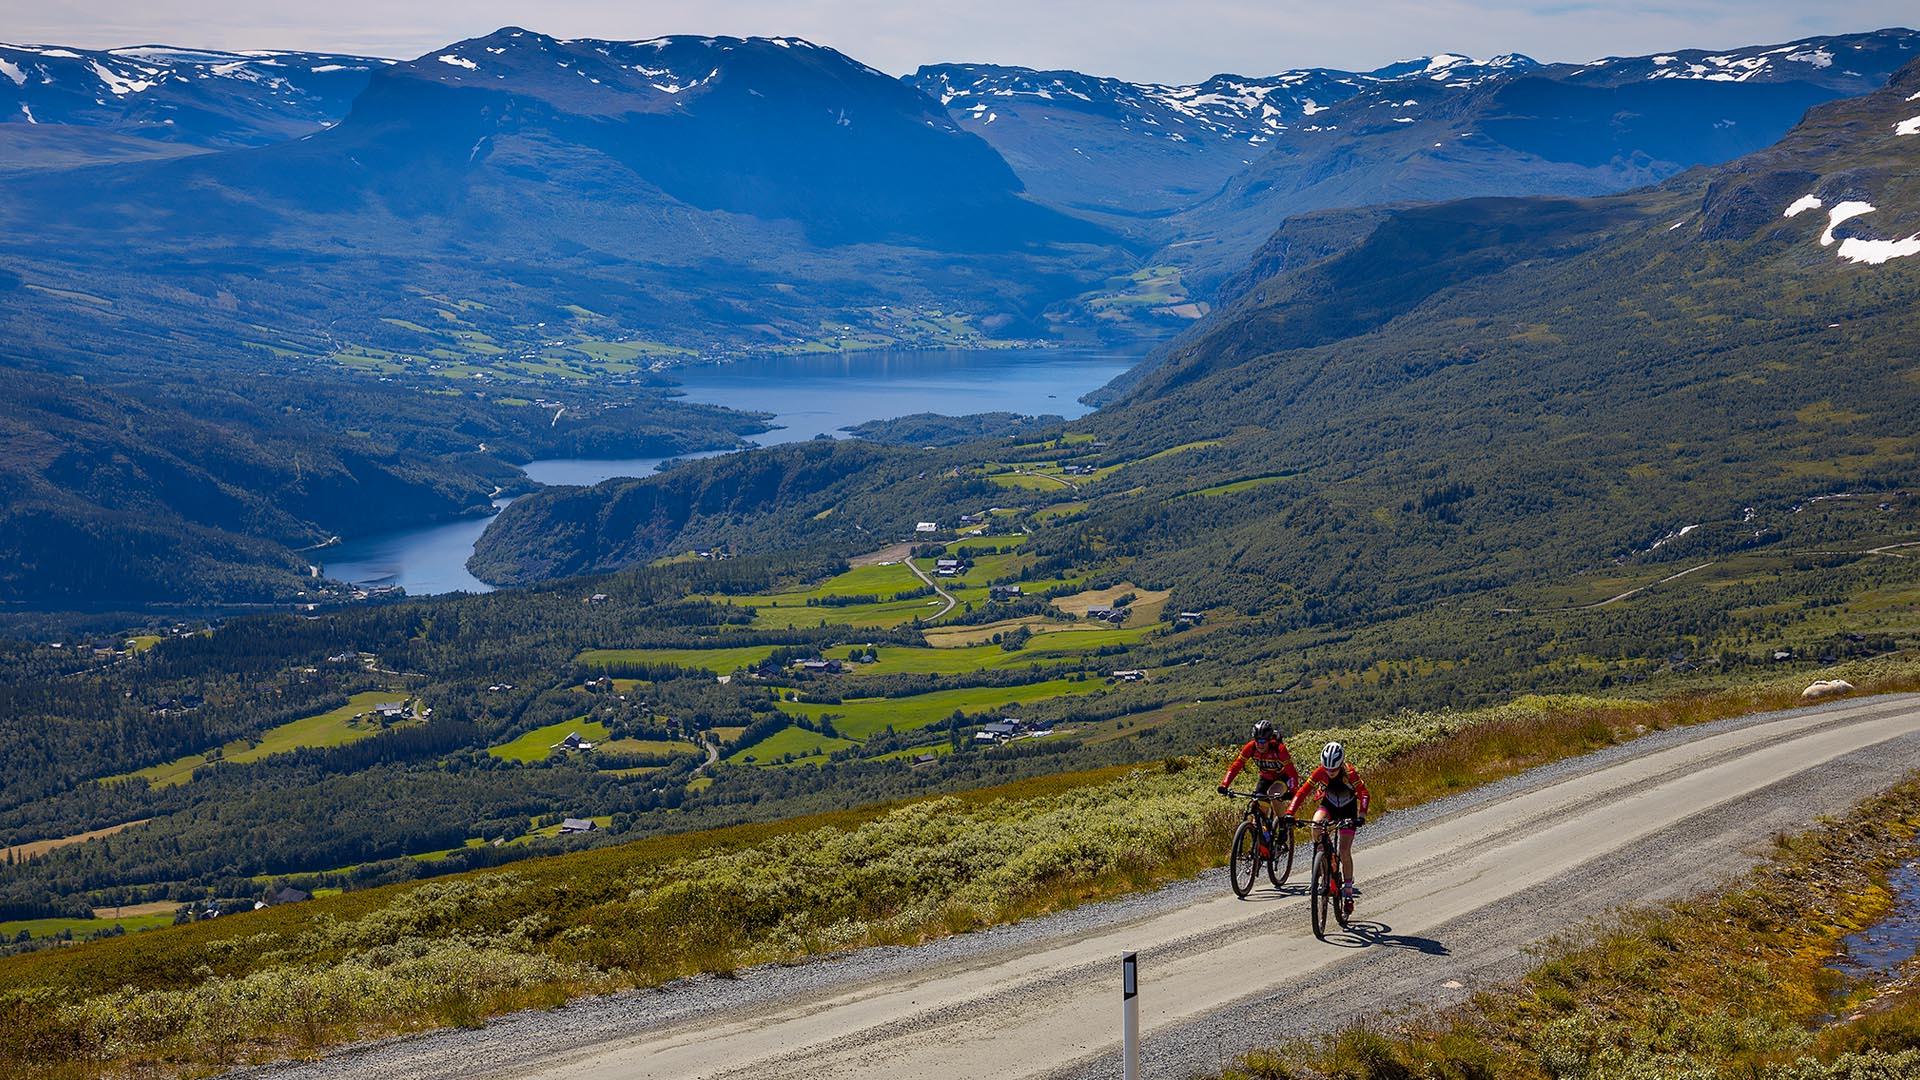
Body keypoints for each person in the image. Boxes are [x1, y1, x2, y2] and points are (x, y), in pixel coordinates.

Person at [1285, 741, 1371, 903]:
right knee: (1316, 825)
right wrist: (1290, 812)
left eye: (1334, 769)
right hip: (1329, 806)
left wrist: (1362, 815)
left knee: (1344, 851)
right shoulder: (1320, 772)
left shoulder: (1350, 774)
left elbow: (1364, 794)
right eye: (1327, 769)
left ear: (1341, 765)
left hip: (1348, 810)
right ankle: (1321, 857)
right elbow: (1303, 792)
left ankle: (1348, 888)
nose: (1330, 772)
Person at [1217, 719, 1300, 833]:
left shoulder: (1279, 749)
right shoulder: (1250, 747)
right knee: (1259, 811)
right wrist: (1224, 784)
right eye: (1257, 740)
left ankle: (1282, 824)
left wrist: (1293, 790)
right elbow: (1236, 766)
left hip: (1282, 778)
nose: (1260, 744)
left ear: (1270, 739)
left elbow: (1292, 773)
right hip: (1265, 778)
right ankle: (1263, 840)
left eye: (1263, 741)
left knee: (1273, 794)